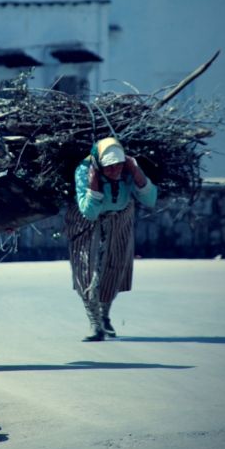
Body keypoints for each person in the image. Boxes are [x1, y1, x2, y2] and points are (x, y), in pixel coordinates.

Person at [65, 136, 157, 341]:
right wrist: (93, 183)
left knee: (114, 266)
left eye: (118, 165)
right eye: (109, 167)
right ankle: (94, 323)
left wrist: (136, 172)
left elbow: (150, 200)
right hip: (86, 221)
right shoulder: (84, 170)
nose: (114, 170)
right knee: (86, 268)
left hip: (120, 218)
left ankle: (104, 315)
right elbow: (88, 211)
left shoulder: (128, 169)